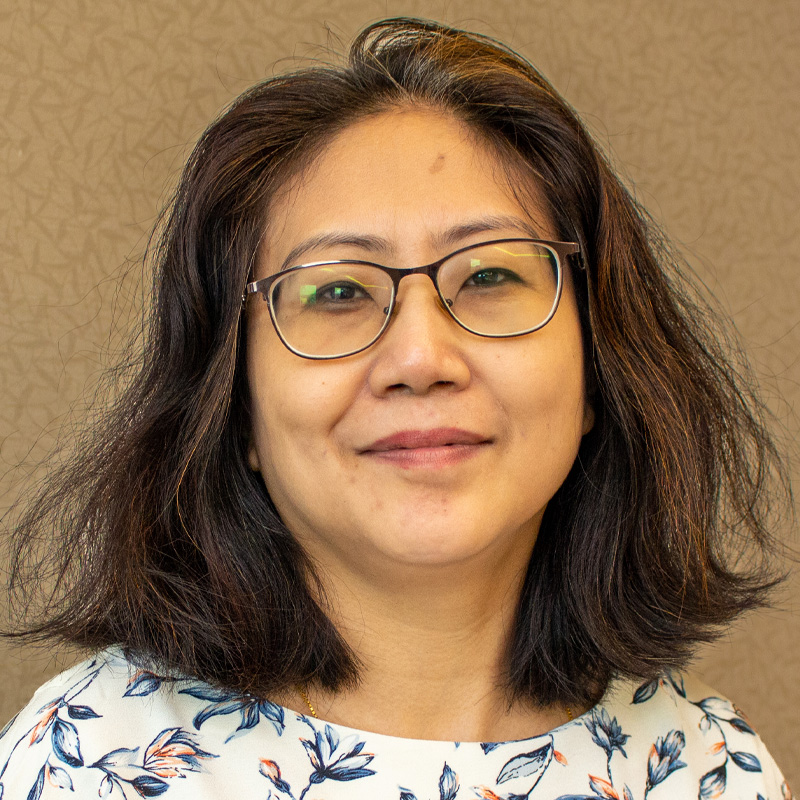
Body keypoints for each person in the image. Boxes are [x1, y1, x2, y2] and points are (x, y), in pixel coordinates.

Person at [0, 17, 792, 800]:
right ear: (235, 407)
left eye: (488, 277)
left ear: (599, 372)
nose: (421, 359)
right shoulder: (87, 761)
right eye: (337, 290)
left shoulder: (709, 770)